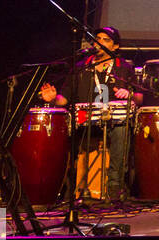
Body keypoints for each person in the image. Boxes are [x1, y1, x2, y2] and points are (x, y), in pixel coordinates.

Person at [39, 26, 140, 200]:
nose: (99, 42)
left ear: (115, 47)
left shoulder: (123, 67)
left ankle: (114, 185)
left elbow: (139, 97)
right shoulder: (80, 67)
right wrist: (54, 99)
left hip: (113, 121)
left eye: (105, 39)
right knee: (64, 128)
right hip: (83, 121)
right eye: (97, 39)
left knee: (121, 129)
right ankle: (70, 189)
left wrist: (129, 95)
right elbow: (65, 99)